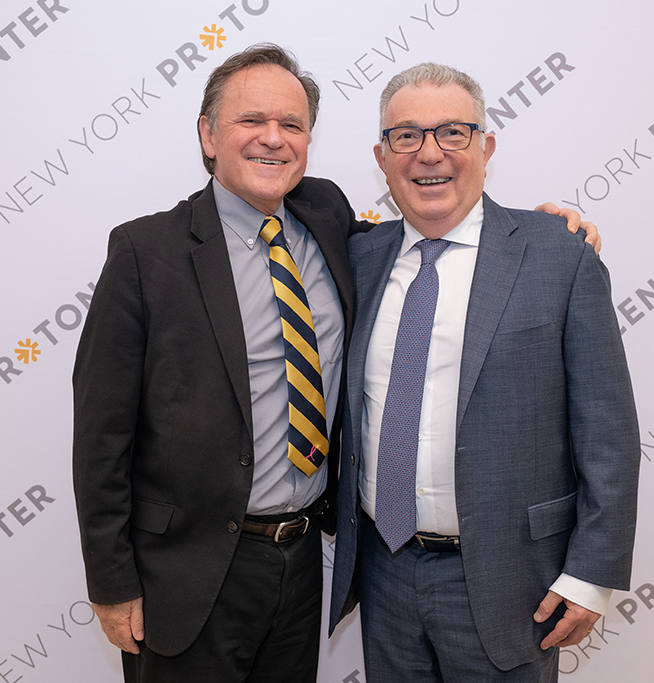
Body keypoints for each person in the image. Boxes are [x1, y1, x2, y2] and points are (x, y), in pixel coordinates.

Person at [73, 44, 597, 683]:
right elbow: (100, 435)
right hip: (187, 572)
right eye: (250, 121)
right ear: (208, 135)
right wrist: (112, 580)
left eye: (292, 125)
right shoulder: (145, 251)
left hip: (301, 567)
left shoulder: (328, 223)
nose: (273, 139)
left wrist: (550, 227)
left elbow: (450, 220)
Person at [328, 63, 640, 683]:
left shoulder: (559, 255)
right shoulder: (356, 258)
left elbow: (608, 431)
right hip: (382, 571)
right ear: (382, 156)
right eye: (407, 136)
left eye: (453, 132)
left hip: (511, 579)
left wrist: (591, 574)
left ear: (486, 147)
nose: (430, 154)